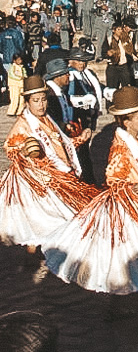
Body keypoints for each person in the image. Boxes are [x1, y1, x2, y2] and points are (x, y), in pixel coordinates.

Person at [41, 87, 138, 337]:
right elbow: (114, 181)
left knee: (126, 263)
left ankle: (117, 308)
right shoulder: (120, 148)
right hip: (133, 213)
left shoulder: (135, 139)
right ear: (126, 120)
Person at [0, 75, 97, 260]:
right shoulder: (24, 123)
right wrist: (26, 151)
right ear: (27, 102)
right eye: (36, 101)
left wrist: (80, 139)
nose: (41, 105)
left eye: (43, 99)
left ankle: (41, 250)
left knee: (47, 220)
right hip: (39, 181)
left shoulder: (47, 119)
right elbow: (10, 147)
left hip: (56, 174)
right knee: (45, 218)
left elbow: (59, 144)